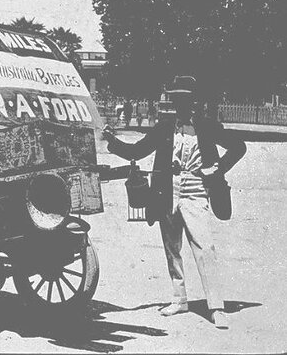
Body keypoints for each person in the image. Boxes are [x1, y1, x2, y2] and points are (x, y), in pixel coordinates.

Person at [102, 76, 246, 329]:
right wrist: (111, 141)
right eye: (178, 99)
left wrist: (217, 169)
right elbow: (137, 151)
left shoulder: (207, 126)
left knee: (204, 247)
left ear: (194, 101)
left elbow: (238, 146)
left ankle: (216, 307)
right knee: (172, 248)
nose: (182, 104)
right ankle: (179, 300)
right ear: (174, 101)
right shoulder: (164, 127)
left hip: (196, 191)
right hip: (167, 193)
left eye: (187, 99)